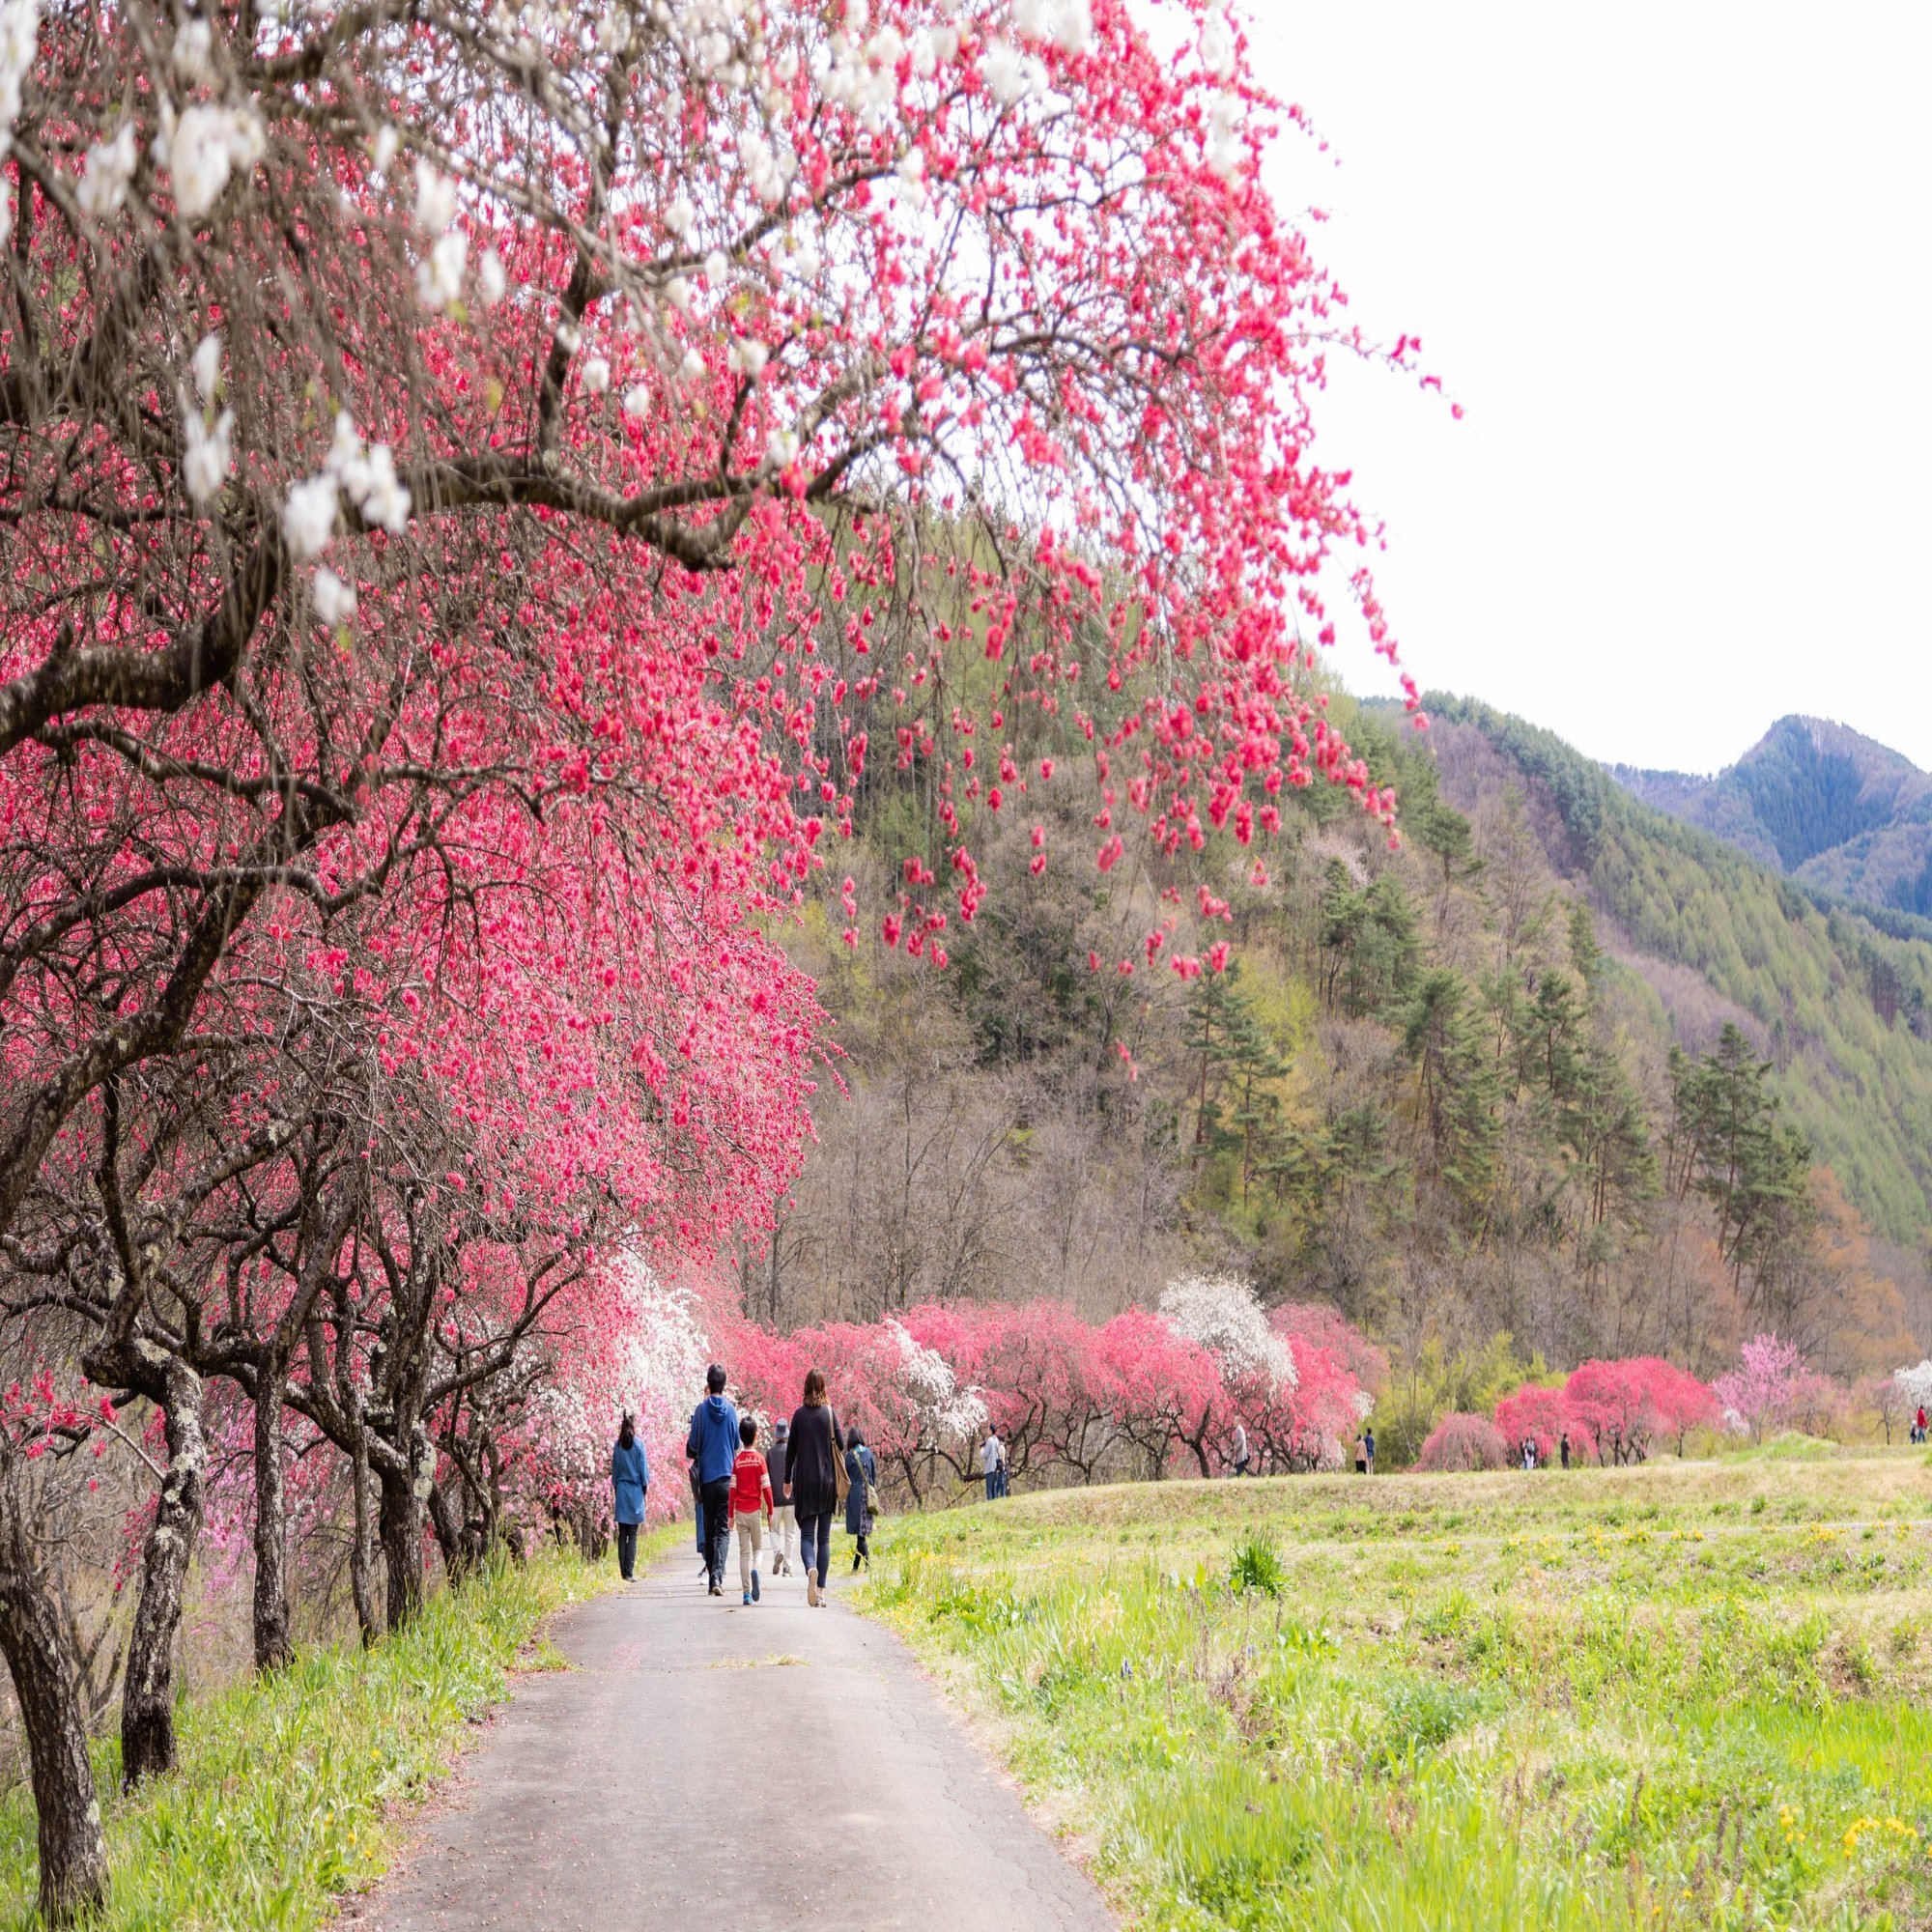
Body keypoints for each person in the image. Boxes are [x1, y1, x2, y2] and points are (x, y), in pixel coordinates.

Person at [784, 1367, 843, 1607]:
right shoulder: (829, 1413)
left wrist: (787, 1479)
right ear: (823, 1386)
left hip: (805, 1482)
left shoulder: (798, 1416)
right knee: (825, 1539)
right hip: (827, 1482)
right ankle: (820, 1593)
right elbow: (841, 1443)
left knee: (807, 1536)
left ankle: (810, 1569)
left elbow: (790, 1452)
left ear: (806, 1387)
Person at [685, 1363, 740, 1598]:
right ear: (724, 1385)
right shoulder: (731, 1411)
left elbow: (694, 1445)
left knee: (709, 1530)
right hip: (727, 1477)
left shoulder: (700, 1411)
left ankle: (712, 1579)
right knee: (724, 1530)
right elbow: (737, 1444)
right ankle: (718, 1575)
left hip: (707, 1478)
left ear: (709, 1384)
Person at [729, 1414, 772, 1605]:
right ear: (756, 1436)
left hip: (740, 1512)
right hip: (755, 1511)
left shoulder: (737, 1461)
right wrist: (770, 1511)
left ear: (740, 1436)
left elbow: (732, 1491)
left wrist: (730, 1515)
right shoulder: (760, 1460)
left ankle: (746, 1593)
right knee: (759, 1549)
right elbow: (767, 1488)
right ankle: (757, 1569)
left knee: (743, 1552)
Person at [610, 1412, 649, 1581]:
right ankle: (629, 1571)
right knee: (632, 1533)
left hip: (622, 1491)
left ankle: (622, 1572)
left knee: (622, 1533)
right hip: (635, 1491)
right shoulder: (639, 1445)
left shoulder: (617, 1446)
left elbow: (615, 1474)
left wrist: (618, 1489)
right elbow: (644, 1474)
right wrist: (644, 1491)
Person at [845, 1426, 877, 1572]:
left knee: (860, 1533)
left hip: (855, 1497)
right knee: (861, 1533)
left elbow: (845, 1478)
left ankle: (868, 1564)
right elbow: (873, 1475)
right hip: (867, 1496)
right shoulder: (869, 1453)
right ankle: (855, 1567)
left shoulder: (850, 1456)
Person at [766, 1418, 795, 1577]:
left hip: (775, 1499)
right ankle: (787, 1568)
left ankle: (777, 1552)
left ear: (777, 1435)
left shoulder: (770, 1453)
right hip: (791, 1499)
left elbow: (766, 1478)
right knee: (790, 1533)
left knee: (773, 1530)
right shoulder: (793, 1452)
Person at [980, 1425, 1002, 1502]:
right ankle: (995, 1504)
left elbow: (985, 1454)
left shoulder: (989, 1441)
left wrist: (982, 1449)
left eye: (988, 1429)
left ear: (991, 1430)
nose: (987, 1431)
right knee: (994, 1488)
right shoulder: (996, 1440)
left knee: (989, 1488)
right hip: (995, 1466)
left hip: (989, 1467)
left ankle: (989, 1503)